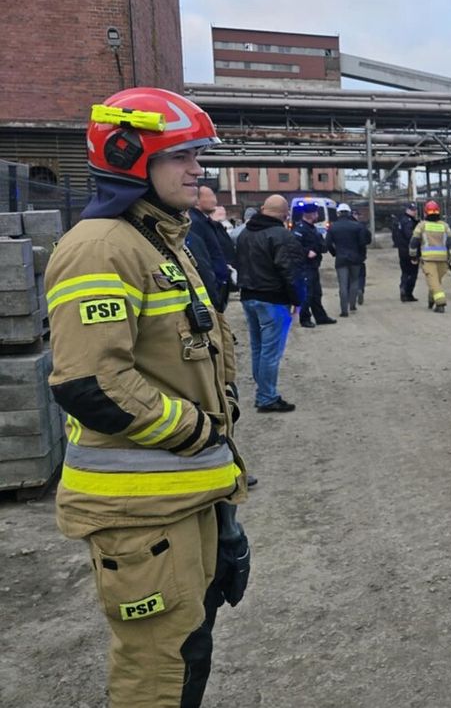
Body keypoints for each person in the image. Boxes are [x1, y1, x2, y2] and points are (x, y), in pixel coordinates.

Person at [45, 87, 250, 707]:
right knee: (158, 672)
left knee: (189, 652)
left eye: (197, 155)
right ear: (128, 155)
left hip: (183, 498)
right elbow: (92, 383)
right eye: (181, 156)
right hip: (140, 513)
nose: (197, 169)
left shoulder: (160, 239)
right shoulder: (100, 248)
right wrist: (199, 430)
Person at [235, 194, 303, 412]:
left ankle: (263, 392)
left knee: (258, 348)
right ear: (285, 214)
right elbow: (290, 271)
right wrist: (297, 300)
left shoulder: (245, 234)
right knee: (271, 352)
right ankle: (266, 397)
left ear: (263, 209)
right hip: (272, 300)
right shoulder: (282, 236)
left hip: (248, 297)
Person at [409, 199, 451, 313]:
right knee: (436, 281)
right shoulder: (445, 226)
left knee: (434, 282)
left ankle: (440, 303)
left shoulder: (422, 225)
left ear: (425, 212)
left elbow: (414, 242)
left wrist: (413, 256)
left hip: (428, 260)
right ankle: (431, 300)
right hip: (443, 260)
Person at [292, 201, 336, 328]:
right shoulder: (300, 229)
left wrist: (320, 249)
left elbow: (321, 245)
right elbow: (294, 247)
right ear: (311, 215)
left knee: (316, 293)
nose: (317, 215)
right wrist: (307, 252)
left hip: (313, 266)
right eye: (316, 213)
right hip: (304, 267)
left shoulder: (313, 228)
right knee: (307, 293)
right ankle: (305, 318)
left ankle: (320, 317)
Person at [189, 185, 230, 311]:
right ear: (197, 201)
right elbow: (202, 259)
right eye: (210, 196)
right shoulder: (196, 223)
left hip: (217, 285)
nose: (215, 200)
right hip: (210, 288)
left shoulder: (205, 221)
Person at [326, 202, 369, 318]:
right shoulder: (357, 226)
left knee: (343, 284)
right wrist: (361, 256)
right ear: (349, 213)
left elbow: (328, 243)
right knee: (354, 281)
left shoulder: (333, 227)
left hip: (341, 258)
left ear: (338, 213)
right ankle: (352, 305)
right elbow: (362, 243)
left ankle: (344, 310)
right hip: (355, 258)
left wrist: (334, 253)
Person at [392, 202, 419, 302]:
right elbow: (411, 236)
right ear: (407, 210)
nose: (414, 212)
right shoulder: (408, 222)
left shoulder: (401, 220)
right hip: (410, 251)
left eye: (415, 210)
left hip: (402, 250)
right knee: (413, 273)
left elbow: (395, 236)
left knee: (405, 272)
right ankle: (408, 292)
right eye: (412, 210)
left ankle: (403, 288)